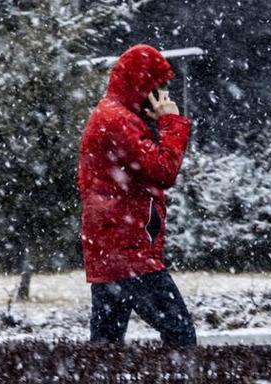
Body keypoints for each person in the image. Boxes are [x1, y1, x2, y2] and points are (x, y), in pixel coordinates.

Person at [77, 44, 197, 347]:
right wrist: (171, 122)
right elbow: (163, 170)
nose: (163, 98)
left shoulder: (111, 115)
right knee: (180, 334)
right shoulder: (118, 121)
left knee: (105, 349)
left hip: (110, 251)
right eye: (159, 89)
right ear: (142, 85)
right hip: (129, 252)